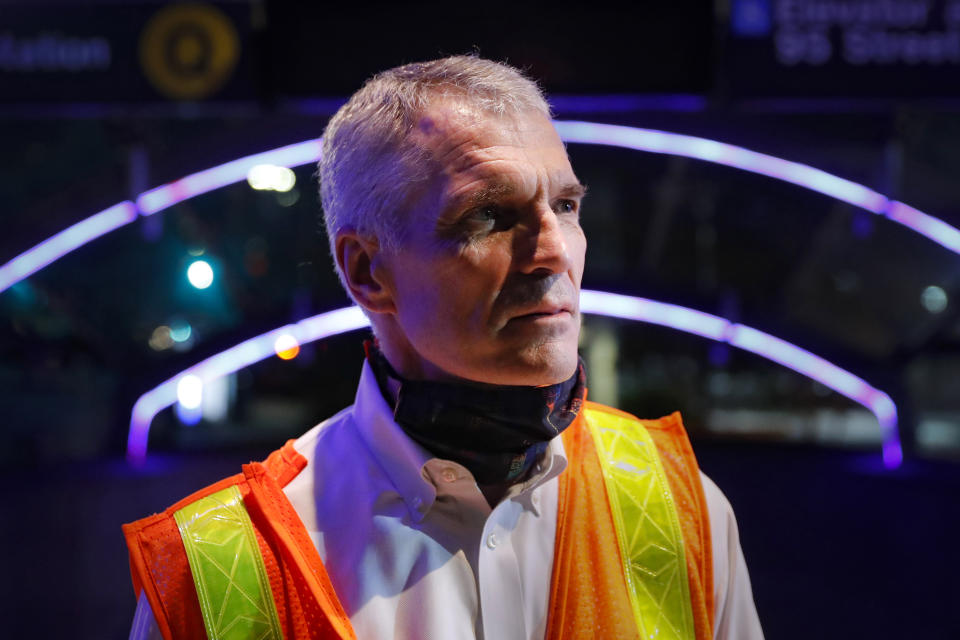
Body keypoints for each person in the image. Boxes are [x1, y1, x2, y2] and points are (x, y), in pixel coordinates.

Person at [124, 55, 763, 640]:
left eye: (566, 206)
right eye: (488, 216)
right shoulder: (212, 573)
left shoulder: (683, 511)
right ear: (368, 272)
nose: (554, 253)